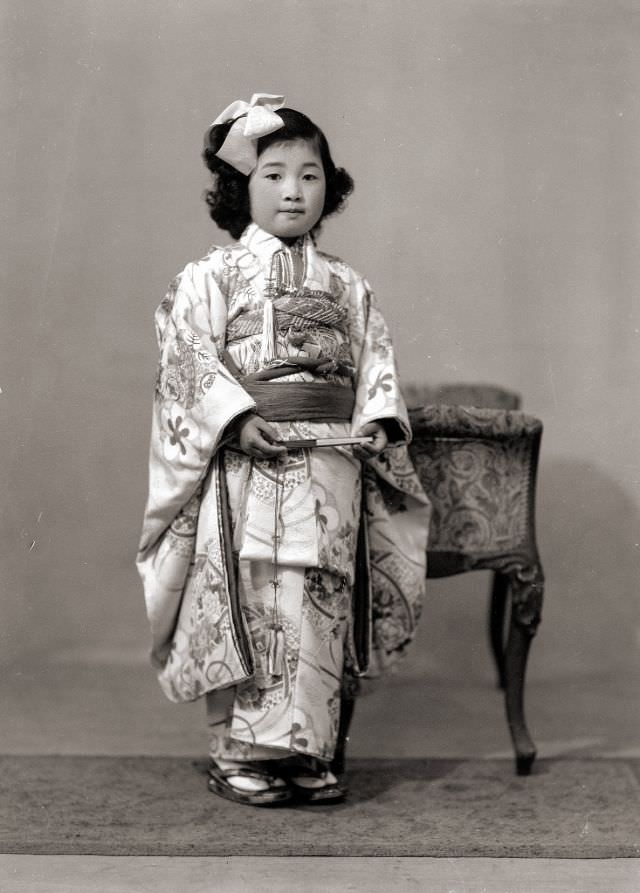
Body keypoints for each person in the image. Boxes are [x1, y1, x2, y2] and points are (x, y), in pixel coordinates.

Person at [137, 94, 430, 806]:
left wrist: (380, 421)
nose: (294, 190)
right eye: (274, 174)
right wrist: (234, 419)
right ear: (242, 188)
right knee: (253, 593)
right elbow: (186, 358)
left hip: (331, 458)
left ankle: (308, 753)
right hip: (249, 457)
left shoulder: (349, 285)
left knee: (319, 597)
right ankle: (242, 754)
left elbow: (376, 365)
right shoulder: (210, 276)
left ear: (331, 187)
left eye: (310, 174)